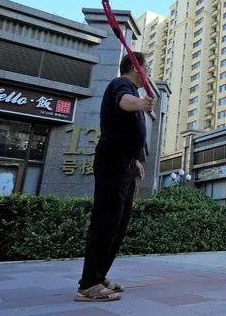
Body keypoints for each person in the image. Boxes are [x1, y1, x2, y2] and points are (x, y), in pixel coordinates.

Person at [75, 52, 155, 302]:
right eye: (147, 67)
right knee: (107, 220)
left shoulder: (132, 89)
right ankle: (88, 284)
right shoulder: (122, 84)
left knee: (118, 223)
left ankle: (99, 276)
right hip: (112, 161)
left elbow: (130, 131)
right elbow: (123, 102)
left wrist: (136, 161)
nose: (149, 73)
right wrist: (141, 103)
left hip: (126, 163)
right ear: (136, 67)